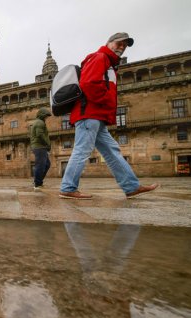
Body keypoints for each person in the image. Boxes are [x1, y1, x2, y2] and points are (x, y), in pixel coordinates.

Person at [59, 32, 159, 200]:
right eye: (119, 43)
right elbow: (88, 83)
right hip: (89, 114)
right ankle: (68, 187)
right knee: (82, 150)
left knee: (112, 151)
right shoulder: (100, 57)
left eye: (125, 45)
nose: (122, 47)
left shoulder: (110, 64)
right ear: (110, 42)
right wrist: (107, 101)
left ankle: (131, 186)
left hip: (97, 116)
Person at [30, 107, 52, 191]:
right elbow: (40, 135)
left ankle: (38, 181)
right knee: (40, 165)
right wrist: (48, 144)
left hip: (40, 146)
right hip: (40, 146)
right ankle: (37, 184)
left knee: (47, 165)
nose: (46, 117)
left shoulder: (39, 122)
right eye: (46, 116)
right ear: (42, 114)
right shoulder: (39, 123)